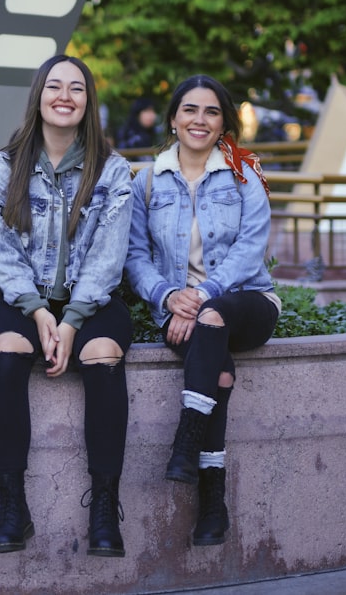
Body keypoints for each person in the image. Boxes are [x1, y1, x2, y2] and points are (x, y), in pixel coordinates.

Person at [0, 54, 134, 558]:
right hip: (25, 299)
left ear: (89, 102)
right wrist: (39, 311)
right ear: (39, 97)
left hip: (90, 302)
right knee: (5, 350)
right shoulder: (7, 164)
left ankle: (105, 507)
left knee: (104, 354)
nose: (64, 96)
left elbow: (109, 259)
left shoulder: (112, 170)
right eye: (54, 87)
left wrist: (70, 324)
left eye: (76, 89)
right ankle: (12, 507)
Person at [124, 74, 280, 547]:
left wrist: (204, 294)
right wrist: (169, 298)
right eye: (190, 109)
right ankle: (212, 500)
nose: (200, 119)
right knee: (222, 376)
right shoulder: (147, 180)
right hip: (182, 310)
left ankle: (186, 440)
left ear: (223, 123)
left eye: (211, 112)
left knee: (214, 315)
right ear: (173, 119)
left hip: (247, 299)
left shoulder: (243, 176)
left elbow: (250, 251)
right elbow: (134, 256)